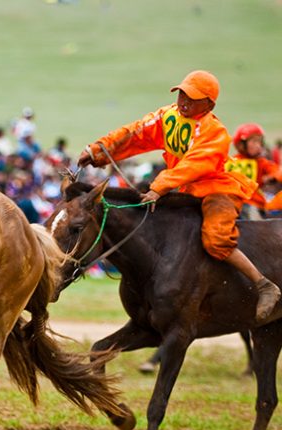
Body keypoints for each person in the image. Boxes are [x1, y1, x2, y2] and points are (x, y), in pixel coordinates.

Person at [77, 70, 281, 322]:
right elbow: (135, 132)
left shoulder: (215, 132)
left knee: (216, 239)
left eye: (191, 97)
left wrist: (160, 186)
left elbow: (194, 165)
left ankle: (263, 285)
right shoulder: (168, 115)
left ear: (208, 104)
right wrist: (98, 150)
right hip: (184, 187)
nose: (183, 100)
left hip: (218, 190)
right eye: (182, 93)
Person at [224, 123, 282, 220]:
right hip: (235, 202)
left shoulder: (262, 163)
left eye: (259, 142)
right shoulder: (230, 161)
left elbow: (278, 171)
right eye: (254, 142)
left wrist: (272, 177)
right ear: (242, 144)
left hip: (252, 204)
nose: (258, 146)